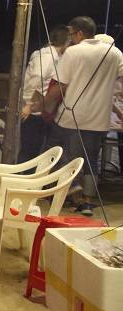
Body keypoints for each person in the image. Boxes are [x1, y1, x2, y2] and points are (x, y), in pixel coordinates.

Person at [39, 16, 123, 216]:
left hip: (71, 116)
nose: (70, 37)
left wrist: (44, 104)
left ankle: (67, 193)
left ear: (79, 33)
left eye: (71, 33)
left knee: (62, 155)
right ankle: (86, 201)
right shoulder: (116, 53)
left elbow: (60, 86)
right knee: (91, 159)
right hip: (99, 118)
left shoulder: (73, 52)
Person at [18, 25, 69, 163]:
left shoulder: (53, 57)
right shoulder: (47, 57)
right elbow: (36, 80)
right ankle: (23, 182)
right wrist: (29, 106)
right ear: (66, 42)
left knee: (36, 151)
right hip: (33, 112)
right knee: (30, 152)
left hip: (40, 109)